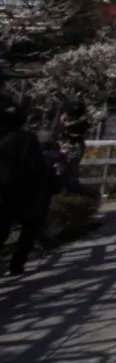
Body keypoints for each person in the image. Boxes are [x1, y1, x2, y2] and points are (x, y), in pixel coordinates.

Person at [0, 99, 55, 275]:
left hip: (4, 191)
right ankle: (17, 264)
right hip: (22, 192)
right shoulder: (26, 139)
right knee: (29, 228)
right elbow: (37, 167)